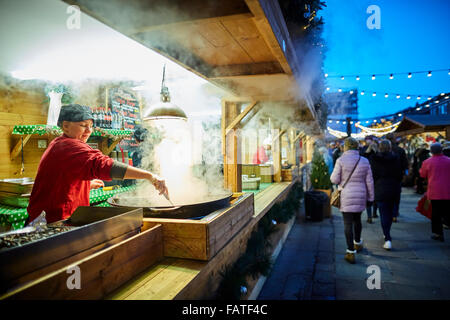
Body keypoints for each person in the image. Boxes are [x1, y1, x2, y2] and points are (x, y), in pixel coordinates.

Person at [27, 104, 169, 224]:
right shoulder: (68, 146)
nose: (89, 131)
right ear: (65, 126)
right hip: (53, 222)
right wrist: (150, 176)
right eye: (83, 125)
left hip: (52, 217)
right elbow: (103, 164)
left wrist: (87, 184)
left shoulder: (59, 144)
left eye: (91, 126)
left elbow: (61, 179)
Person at [331, 137, 374, 264]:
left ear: (345, 147)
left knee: (347, 223)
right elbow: (370, 182)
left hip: (346, 195)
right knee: (357, 220)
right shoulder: (364, 161)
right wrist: (371, 198)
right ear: (357, 147)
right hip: (361, 194)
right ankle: (358, 243)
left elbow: (334, 180)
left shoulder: (340, 160)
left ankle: (350, 252)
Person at [369, 140, 403, 250]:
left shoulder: (374, 159)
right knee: (390, 212)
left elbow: (373, 175)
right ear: (390, 147)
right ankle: (387, 233)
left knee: (383, 213)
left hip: (380, 188)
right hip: (394, 188)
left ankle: (387, 238)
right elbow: (400, 175)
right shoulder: (396, 158)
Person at [419, 143, 450, 242]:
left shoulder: (427, 162)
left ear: (431, 151)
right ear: (442, 150)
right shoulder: (448, 161)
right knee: (447, 211)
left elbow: (422, 174)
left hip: (434, 191)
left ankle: (438, 233)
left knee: (435, 212)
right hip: (447, 190)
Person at [385, 133, 409, 223]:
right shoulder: (400, 150)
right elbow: (405, 164)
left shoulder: (382, 150)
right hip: (397, 176)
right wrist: (405, 173)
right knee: (396, 196)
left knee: (387, 196)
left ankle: (389, 212)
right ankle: (394, 213)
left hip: (385, 177)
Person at [361, 139, 379, 223]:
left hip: (370, 178)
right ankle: (372, 214)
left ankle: (371, 215)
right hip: (374, 178)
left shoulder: (366, 155)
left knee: (370, 197)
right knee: (373, 197)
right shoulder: (378, 156)